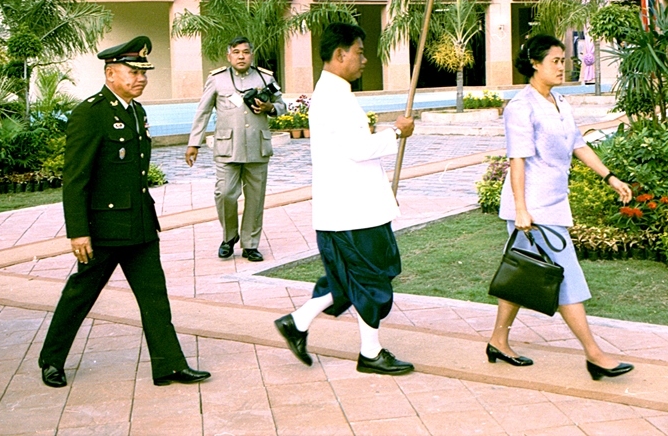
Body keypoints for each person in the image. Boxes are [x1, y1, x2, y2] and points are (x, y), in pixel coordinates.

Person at [38, 36, 210, 388]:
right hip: (103, 228)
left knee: (155, 297)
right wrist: (78, 231)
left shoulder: (137, 112)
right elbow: (75, 178)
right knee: (80, 295)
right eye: (133, 72)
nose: (141, 78)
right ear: (111, 73)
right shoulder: (91, 113)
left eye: (143, 73)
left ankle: (169, 365)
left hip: (139, 223)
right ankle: (51, 360)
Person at [489, 34, 636, 381]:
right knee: (566, 274)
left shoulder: (559, 102)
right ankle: (594, 355)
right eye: (555, 61)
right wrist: (521, 210)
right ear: (534, 64)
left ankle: (497, 340)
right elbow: (517, 160)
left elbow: (577, 144)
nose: (562, 66)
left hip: (554, 202)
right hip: (534, 208)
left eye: (563, 61)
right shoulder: (521, 107)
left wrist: (610, 177)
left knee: (522, 274)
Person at [274, 23, 416, 375]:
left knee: (348, 278)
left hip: (352, 207)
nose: (364, 60)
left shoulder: (336, 93)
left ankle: (298, 322)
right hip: (353, 211)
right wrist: (397, 131)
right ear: (340, 55)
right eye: (360, 52)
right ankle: (370, 353)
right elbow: (358, 149)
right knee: (372, 278)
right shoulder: (333, 98)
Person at [186, 37, 287, 262]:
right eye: (236, 52)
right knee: (224, 193)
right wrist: (194, 143)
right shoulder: (217, 79)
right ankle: (229, 236)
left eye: (246, 52)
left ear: (252, 55)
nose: (241, 56)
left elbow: (282, 106)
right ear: (228, 55)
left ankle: (250, 244)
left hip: (257, 147)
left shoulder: (265, 77)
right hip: (227, 147)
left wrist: (270, 107)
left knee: (255, 198)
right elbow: (203, 111)